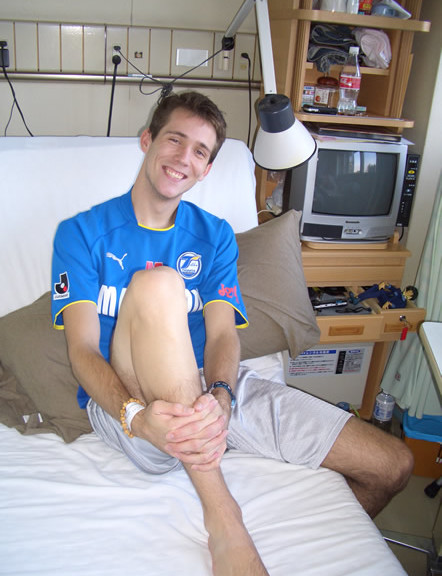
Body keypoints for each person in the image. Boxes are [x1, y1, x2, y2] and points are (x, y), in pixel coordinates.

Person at [52, 91, 413, 576]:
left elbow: (223, 335)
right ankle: (224, 518)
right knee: (158, 284)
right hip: (131, 399)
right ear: (147, 140)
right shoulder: (80, 233)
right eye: (174, 139)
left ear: (206, 169)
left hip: (211, 387)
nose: (184, 157)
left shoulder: (215, 235)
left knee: (392, 464)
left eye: (200, 151)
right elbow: (81, 351)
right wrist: (136, 418)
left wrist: (221, 396)